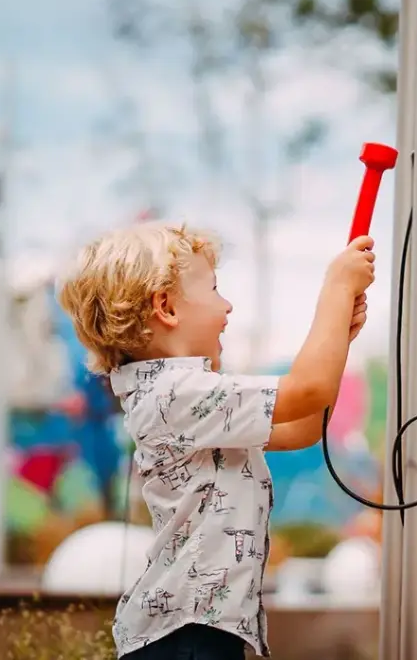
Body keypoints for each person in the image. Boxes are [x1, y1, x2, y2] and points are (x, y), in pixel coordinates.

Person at [56, 222, 374, 659]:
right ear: (166, 307)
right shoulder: (176, 394)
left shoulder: (192, 398)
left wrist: (338, 337)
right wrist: (336, 289)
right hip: (184, 637)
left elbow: (303, 426)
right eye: (214, 288)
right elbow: (307, 390)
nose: (227, 305)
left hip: (198, 632)